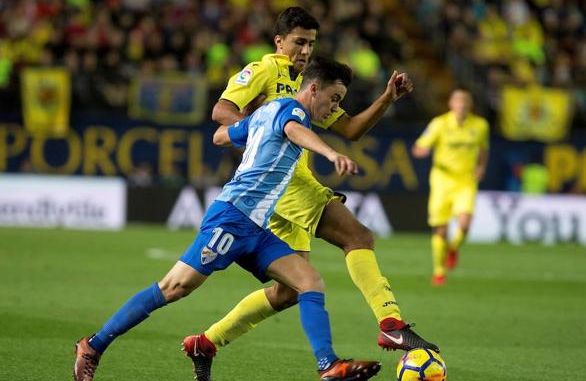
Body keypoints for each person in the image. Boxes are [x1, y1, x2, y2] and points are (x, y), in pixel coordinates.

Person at [74, 58, 382, 381]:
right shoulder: (295, 112)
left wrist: (252, 127)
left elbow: (220, 136)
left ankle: (327, 365)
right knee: (174, 287)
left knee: (308, 283)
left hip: (256, 228)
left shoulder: (267, 111)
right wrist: (331, 154)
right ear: (314, 88)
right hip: (232, 219)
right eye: (333, 99)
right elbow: (294, 130)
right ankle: (92, 346)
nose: (334, 108)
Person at [185, 7, 439, 381]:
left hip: (283, 190)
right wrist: (261, 126)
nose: (305, 50)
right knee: (357, 236)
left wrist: (386, 99)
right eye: (299, 42)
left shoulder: (308, 84)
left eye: (311, 43)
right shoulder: (264, 71)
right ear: (279, 41)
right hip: (281, 184)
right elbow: (221, 111)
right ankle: (390, 322)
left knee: (288, 292)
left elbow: (350, 129)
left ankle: (204, 342)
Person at [412, 89, 489, 286]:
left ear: (470, 105)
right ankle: (439, 271)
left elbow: (483, 150)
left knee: (464, 223)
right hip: (442, 179)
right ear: (451, 104)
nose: (462, 105)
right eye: (458, 101)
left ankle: (453, 248)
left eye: (465, 101)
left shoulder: (480, 125)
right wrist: (422, 150)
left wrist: (480, 168)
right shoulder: (440, 123)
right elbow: (420, 145)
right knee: (441, 228)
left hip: (466, 180)